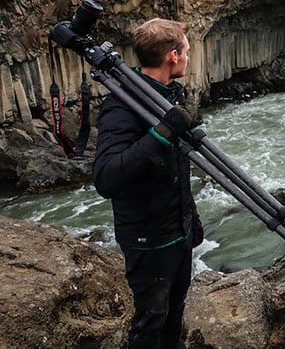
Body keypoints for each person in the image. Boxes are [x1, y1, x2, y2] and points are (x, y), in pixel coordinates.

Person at [93, 18, 204, 348]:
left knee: (173, 319)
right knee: (148, 326)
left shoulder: (170, 94)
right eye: (185, 50)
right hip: (149, 242)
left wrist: (190, 219)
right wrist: (162, 133)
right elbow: (106, 177)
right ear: (172, 55)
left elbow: (175, 167)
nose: (188, 56)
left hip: (177, 233)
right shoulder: (122, 105)